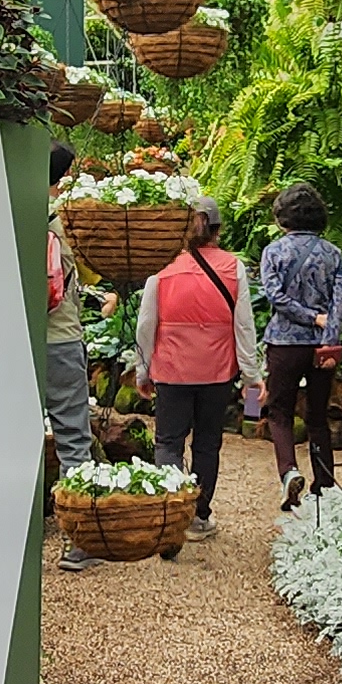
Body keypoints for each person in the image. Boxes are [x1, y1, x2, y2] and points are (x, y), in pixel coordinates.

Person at [133, 207, 254, 540]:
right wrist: (251, 376)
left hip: (171, 369)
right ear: (218, 230)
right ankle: (199, 516)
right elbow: (244, 326)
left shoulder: (162, 268)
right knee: (207, 443)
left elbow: (146, 324)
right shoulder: (233, 268)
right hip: (217, 371)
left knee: (168, 443)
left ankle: (172, 511)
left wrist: (143, 370)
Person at [256, 183, 342, 509]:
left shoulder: (273, 252)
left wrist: (308, 317)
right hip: (322, 348)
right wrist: (329, 338)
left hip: (284, 343)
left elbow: (275, 297)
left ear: (282, 217)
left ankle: (289, 471)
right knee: (318, 416)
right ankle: (324, 484)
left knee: (280, 412)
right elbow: (339, 304)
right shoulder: (333, 254)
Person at [40, 145, 99, 574]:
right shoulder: (67, 225)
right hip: (60, 339)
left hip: (12, 343)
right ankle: (80, 540)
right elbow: (91, 274)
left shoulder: (4, 212)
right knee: (73, 438)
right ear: (60, 179)